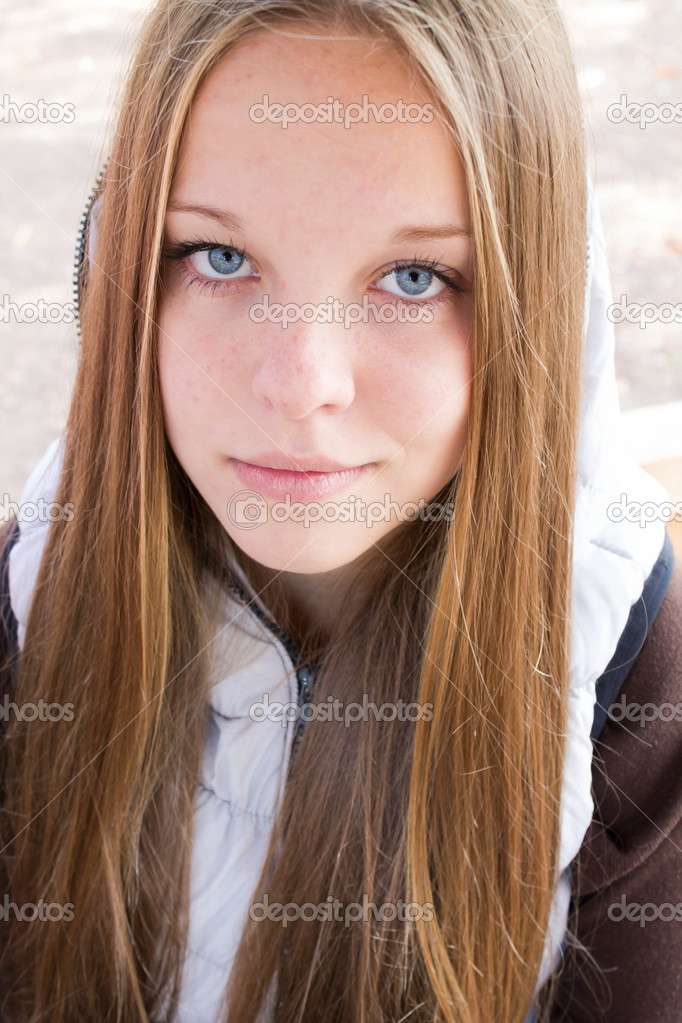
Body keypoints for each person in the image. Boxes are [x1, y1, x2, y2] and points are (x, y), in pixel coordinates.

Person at [0, 1, 679, 1021]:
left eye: (413, 278)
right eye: (219, 259)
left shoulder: (633, 681)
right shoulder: (26, 614)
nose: (298, 385)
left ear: (531, 307)